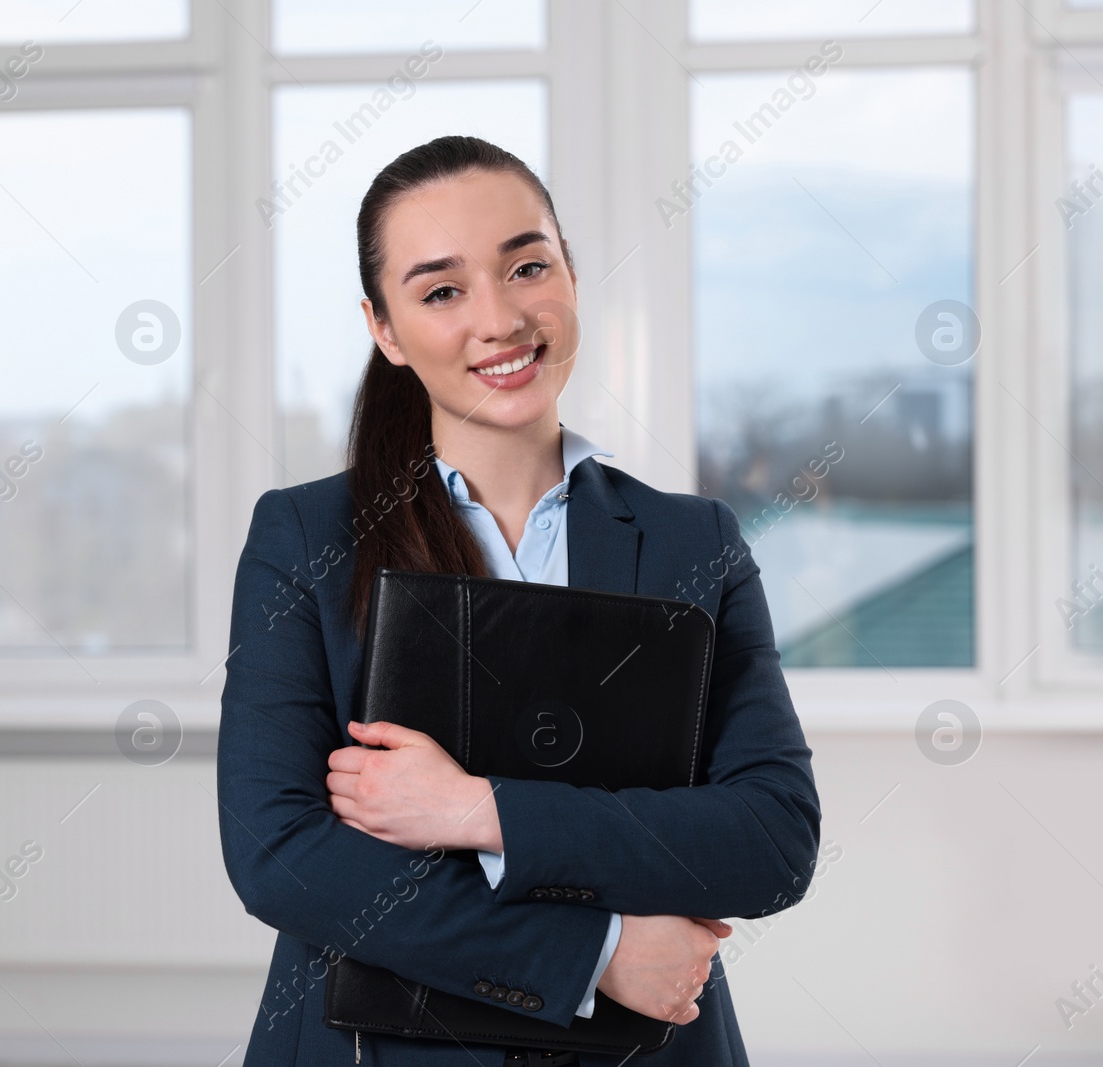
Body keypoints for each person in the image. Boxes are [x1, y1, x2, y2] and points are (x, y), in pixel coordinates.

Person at [217, 134, 822, 1066]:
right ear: (385, 328)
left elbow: (772, 836)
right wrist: (596, 952)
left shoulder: (692, 542)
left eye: (526, 266)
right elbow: (282, 849)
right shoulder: (306, 539)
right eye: (442, 290)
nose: (498, 319)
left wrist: (479, 810)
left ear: (571, 275)